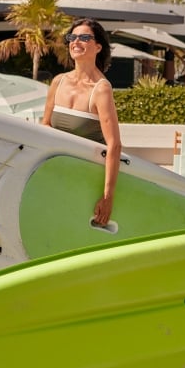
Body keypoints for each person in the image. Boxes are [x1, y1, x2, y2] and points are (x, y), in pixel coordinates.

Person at [41, 18, 123, 226]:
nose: (76, 42)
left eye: (84, 37)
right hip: (56, 176)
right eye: (72, 37)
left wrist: (107, 197)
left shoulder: (101, 88)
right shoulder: (58, 82)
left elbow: (114, 144)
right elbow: (45, 127)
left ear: (97, 47)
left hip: (85, 182)